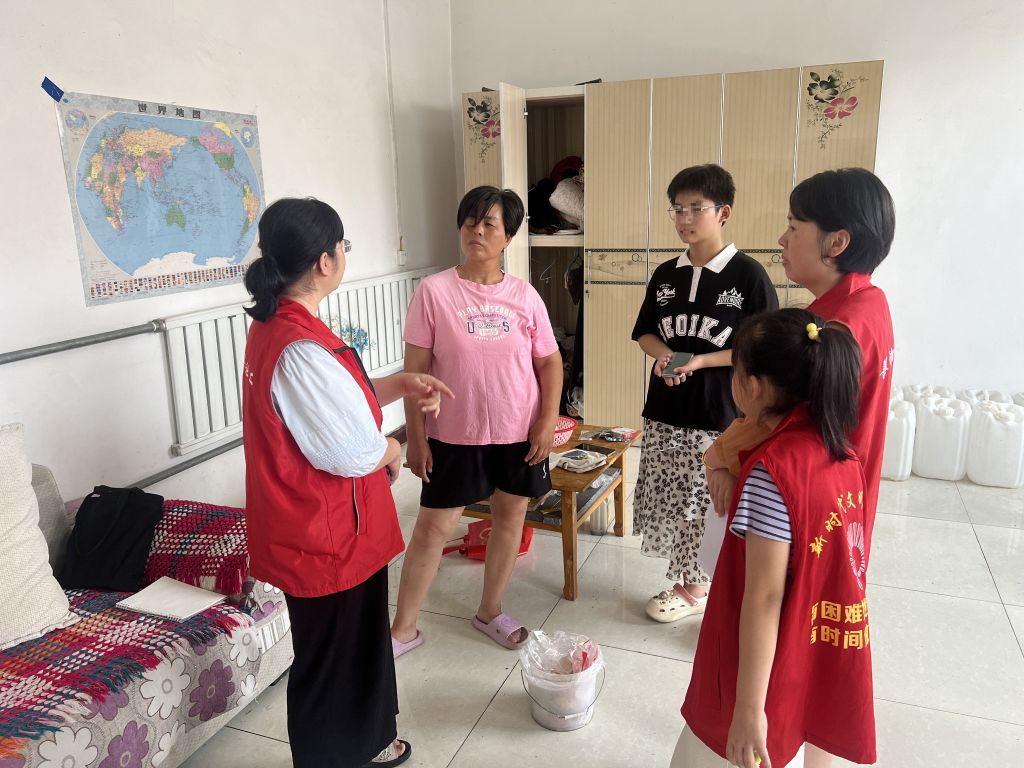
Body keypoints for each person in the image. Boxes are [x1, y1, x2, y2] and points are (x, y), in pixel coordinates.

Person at [241, 197, 453, 768]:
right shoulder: (297, 346)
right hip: (326, 536)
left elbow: (337, 404)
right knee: (333, 661)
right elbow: (349, 447)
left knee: (355, 649)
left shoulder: (282, 326)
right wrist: (392, 448)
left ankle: (368, 743)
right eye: (343, 246)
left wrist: (400, 384)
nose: (343, 255)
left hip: (330, 532)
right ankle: (334, 756)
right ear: (325, 261)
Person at [673, 309, 874, 768]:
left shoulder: (773, 472)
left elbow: (764, 596)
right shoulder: (842, 455)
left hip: (761, 667)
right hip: (811, 642)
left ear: (754, 386)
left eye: (736, 371)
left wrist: (748, 710)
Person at [390, 186, 562, 655]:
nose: (477, 231)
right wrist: (416, 440)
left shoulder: (525, 296)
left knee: (510, 518)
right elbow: (415, 373)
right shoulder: (434, 292)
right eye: (470, 221)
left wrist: (547, 420)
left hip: (518, 431)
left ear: (508, 236)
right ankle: (403, 628)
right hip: (454, 434)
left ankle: (490, 611)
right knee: (433, 529)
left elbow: (549, 362)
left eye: (489, 224)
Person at [706, 168, 895, 557]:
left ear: (837, 242)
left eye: (793, 227)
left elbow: (780, 421)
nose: (782, 239)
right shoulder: (871, 301)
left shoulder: (836, 326)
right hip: (844, 493)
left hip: (805, 503)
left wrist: (719, 456)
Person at [631, 164, 777, 623]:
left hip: (718, 412)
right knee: (674, 496)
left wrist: (697, 361)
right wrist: (664, 356)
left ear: (723, 213)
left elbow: (759, 349)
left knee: (702, 499)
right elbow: (645, 332)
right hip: (665, 408)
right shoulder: (665, 274)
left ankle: (696, 586)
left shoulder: (748, 276)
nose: (685, 218)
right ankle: (689, 578)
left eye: (696, 208)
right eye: (678, 209)